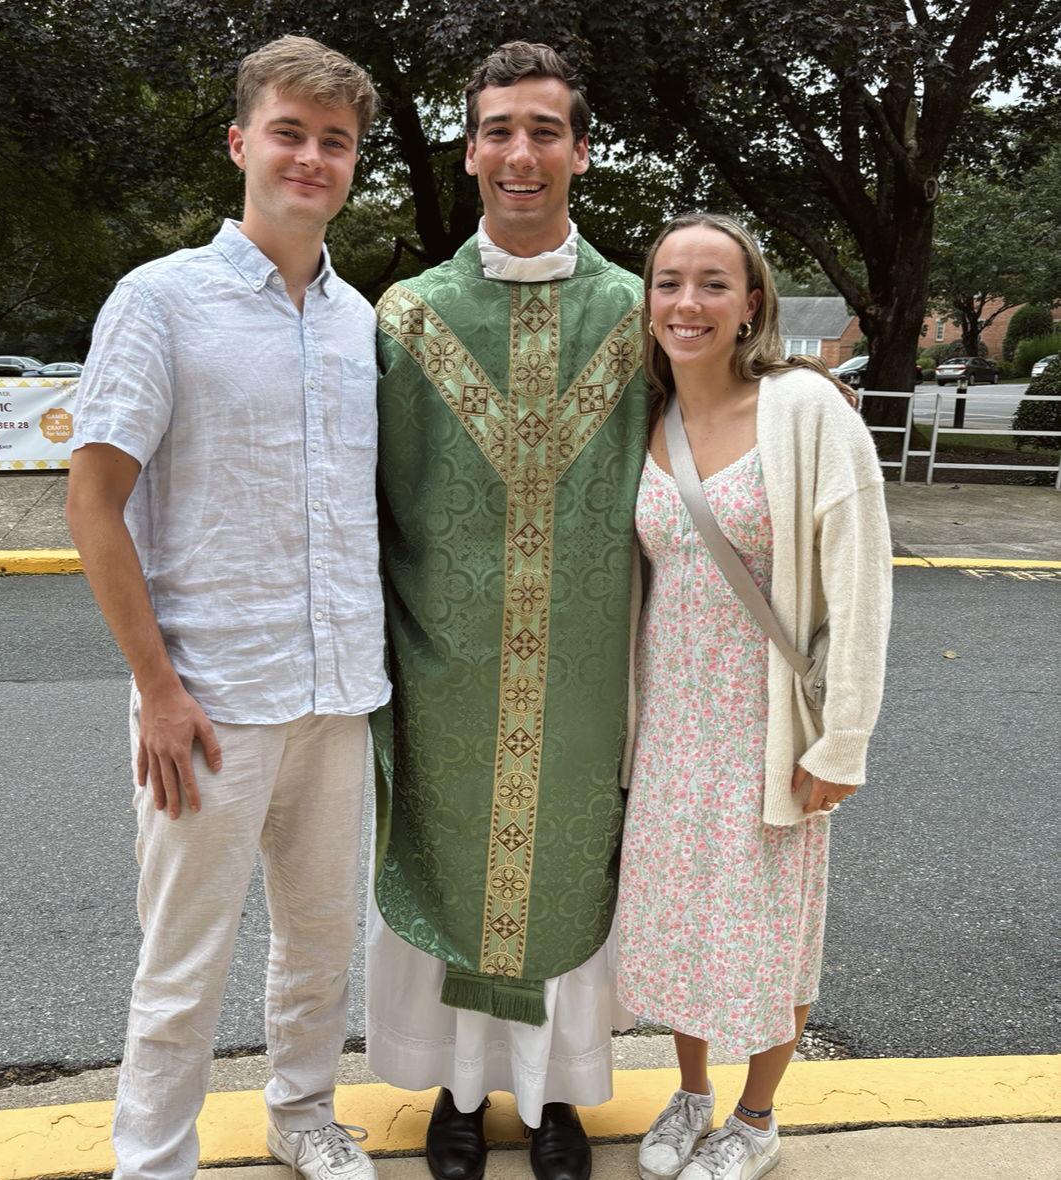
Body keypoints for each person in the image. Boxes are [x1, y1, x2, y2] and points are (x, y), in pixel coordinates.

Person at [65, 36, 388, 1180]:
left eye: (334, 141)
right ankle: (153, 1159)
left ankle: (303, 1114)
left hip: (340, 691)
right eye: (289, 132)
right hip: (209, 700)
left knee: (318, 941)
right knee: (184, 957)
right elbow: (95, 501)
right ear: (242, 141)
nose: (310, 156)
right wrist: (155, 688)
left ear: (355, 164)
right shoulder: (162, 302)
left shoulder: (364, 324)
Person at [368, 41, 646, 1180]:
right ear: (471, 149)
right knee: (449, 873)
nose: (520, 153)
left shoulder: (640, 312)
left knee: (572, 876)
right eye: (498, 130)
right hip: (445, 666)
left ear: (581, 150)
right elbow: (358, 495)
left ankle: (559, 1100)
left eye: (544, 129)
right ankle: (457, 1090)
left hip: (588, 669)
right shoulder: (408, 318)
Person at [616, 212, 892, 1180]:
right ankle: (691, 1092)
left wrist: (842, 741)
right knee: (684, 924)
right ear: (647, 302)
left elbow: (862, 585)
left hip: (772, 726)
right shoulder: (642, 418)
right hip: (669, 730)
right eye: (668, 283)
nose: (687, 303)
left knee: (775, 931)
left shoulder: (805, 409)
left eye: (712, 284)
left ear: (752, 304)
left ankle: (758, 1116)